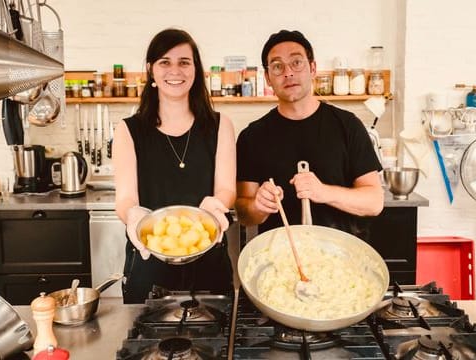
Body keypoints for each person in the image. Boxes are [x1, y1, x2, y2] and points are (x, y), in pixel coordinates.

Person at [113, 28, 236, 303]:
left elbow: (226, 188)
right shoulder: (128, 130)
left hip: (209, 259)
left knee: (214, 344)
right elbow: (125, 197)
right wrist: (132, 214)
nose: (175, 71)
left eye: (184, 62)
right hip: (149, 264)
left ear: (195, 69)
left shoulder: (220, 125)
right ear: (151, 70)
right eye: (164, 62)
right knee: (144, 346)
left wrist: (216, 205)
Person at [235, 30, 384, 241]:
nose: (288, 73)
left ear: (312, 68)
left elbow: (374, 202)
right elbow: (244, 212)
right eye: (277, 66)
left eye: (296, 62)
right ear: (268, 78)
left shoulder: (348, 125)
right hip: (280, 260)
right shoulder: (252, 137)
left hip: (341, 258)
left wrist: (323, 192)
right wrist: (258, 206)